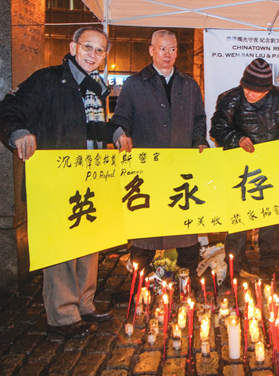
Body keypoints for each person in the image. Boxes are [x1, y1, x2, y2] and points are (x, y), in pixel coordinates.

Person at [0, 27, 113, 338]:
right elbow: (8, 110)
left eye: (100, 50)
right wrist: (19, 133)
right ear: (73, 46)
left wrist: (113, 133)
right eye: (88, 47)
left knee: (88, 244)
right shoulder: (47, 80)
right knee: (62, 249)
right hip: (55, 180)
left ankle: (84, 304)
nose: (93, 54)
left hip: (88, 178)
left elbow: (91, 129)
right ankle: (62, 318)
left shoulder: (96, 87)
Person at [109, 29, 208, 296]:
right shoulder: (134, 84)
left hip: (181, 168)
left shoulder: (189, 84)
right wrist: (121, 136)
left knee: (185, 225)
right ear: (151, 50)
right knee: (147, 225)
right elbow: (121, 119)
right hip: (148, 168)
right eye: (162, 49)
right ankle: (138, 279)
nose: (168, 54)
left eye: (172, 49)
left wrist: (200, 141)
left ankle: (189, 279)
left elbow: (199, 119)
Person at [210, 58, 279, 283]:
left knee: (271, 218)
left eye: (257, 91)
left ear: (268, 89)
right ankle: (234, 265)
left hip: (271, 165)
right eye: (247, 88)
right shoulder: (229, 99)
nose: (250, 94)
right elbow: (217, 129)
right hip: (239, 167)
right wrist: (237, 138)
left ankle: (270, 264)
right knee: (238, 222)